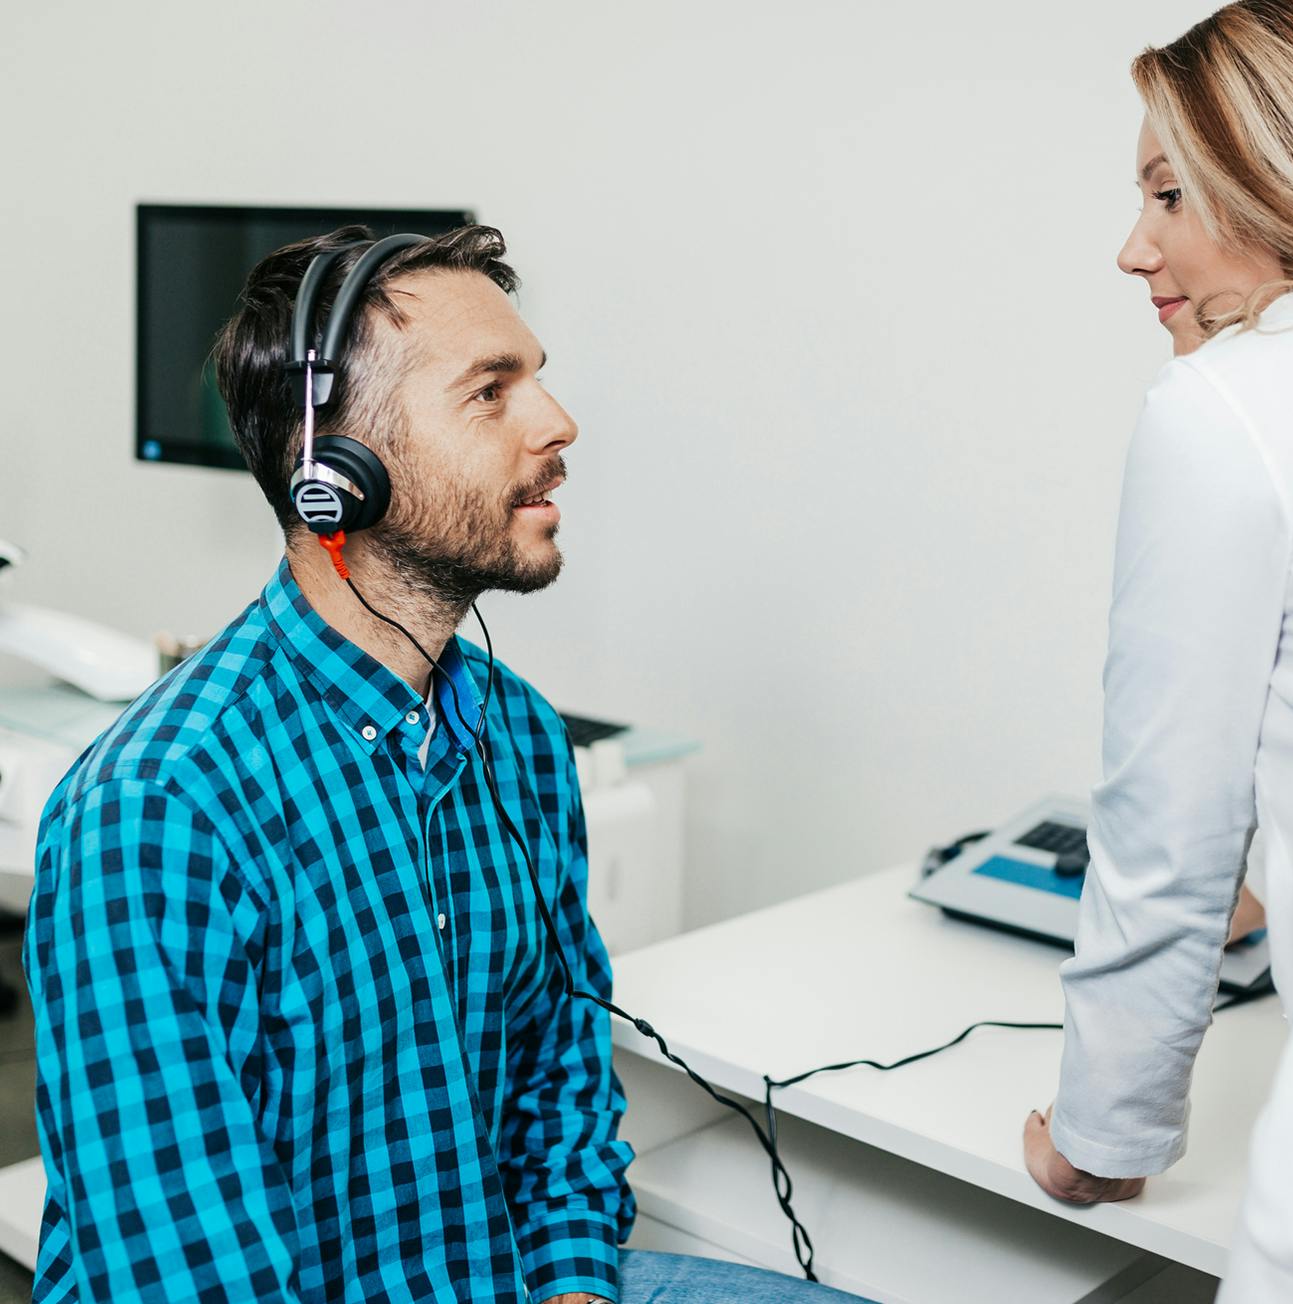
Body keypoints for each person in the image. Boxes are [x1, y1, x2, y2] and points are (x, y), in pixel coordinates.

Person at [24, 226, 868, 1302]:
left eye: (537, 382)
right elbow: (190, 1277)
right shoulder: (158, 813)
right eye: (489, 392)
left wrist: (569, 1284)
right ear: (336, 470)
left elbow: (559, 1079)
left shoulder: (514, 734)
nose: (556, 424)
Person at [1020, 2, 1293, 1299]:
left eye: (1169, 193)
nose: (1130, 248)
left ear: (1286, 177)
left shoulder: (1233, 409)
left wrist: (1100, 1141)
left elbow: (1164, 833)